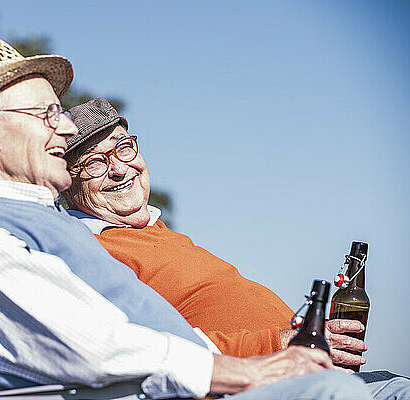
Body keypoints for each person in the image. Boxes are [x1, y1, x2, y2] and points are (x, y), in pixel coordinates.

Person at [0, 35, 372, 400]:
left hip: (212, 380)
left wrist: (279, 350)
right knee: (339, 392)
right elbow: (95, 349)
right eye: (48, 113)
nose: (69, 127)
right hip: (193, 389)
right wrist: (255, 363)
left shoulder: (36, 228)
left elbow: (145, 335)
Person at [62, 98, 410, 398]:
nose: (120, 169)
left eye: (124, 148)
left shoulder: (160, 234)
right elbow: (148, 348)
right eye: (93, 163)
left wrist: (305, 335)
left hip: (304, 371)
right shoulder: (92, 252)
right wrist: (282, 342)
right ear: (66, 184)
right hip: (256, 384)